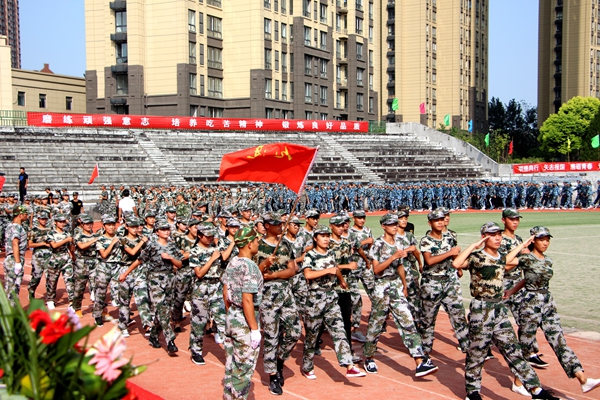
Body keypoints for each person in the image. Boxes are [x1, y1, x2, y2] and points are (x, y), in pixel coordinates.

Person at [453, 222, 563, 400]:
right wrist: (474, 246)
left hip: (498, 309)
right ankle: (472, 392)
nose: (497, 237)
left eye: (498, 234)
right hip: (481, 309)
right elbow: (456, 263)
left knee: (514, 350)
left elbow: (509, 260)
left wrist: (523, 245)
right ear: (484, 237)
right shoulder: (476, 257)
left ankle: (535, 390)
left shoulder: (500, 257)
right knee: (477, 352)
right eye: (492, 234)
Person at [505, 227, 600, 395]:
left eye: (547, 239)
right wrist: (522, 245)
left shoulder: (548, 260)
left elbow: (528, 278)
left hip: (547, 303)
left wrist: (512, 290)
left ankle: (583, 380)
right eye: (542, 239)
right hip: (530, 305)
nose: (545, 243)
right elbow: (506, 261)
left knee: (559, 341)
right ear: (534, 240)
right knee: (526, 346)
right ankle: (518, 382)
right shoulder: (526, 258)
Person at [363, 214, 438, 377]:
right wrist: (393, 257)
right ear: (383, 226)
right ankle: (368, 357)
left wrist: (404, 285)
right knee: (376, 324)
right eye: (390, 224)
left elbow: (400, 267)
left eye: (395, 224)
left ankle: (419, 361)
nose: (394, 227)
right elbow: (376, 270)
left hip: (396, 285)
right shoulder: (378, 244)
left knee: (407, 321)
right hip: (382, 286)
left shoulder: (399, 242)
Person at [300, 224, 366, 380]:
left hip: (331, 298)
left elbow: (335, 269)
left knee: (339, 331)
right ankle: (307, 365)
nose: (326, 238)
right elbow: (308, 275)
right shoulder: (310, 255)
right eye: (322, 236)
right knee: (312, 336)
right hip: (315, 299)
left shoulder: (330, 253)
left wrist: (342, 280)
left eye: (327, 236)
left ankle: (349, 365)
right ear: (315, 238)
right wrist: (327, 271)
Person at [254, 212, 301, 395]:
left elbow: (292, 270)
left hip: (285, 293)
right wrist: (265, 264)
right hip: (267, 295)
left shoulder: (285, 245)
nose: (281, 225)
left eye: (281, 223)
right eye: (276, 223)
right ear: (266, 225)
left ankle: (280, 360)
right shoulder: (258, 246)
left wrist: (274, 275)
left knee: (294, 332)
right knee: (272, 336)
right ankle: (272, 375)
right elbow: (254, 273)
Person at [120, 219, 182, 353]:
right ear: (157, 232)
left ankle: (154, 335)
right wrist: (125, 273)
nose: (166, 232)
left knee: (166, 309)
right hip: (155, 279)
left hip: (170, 278)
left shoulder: (172, 246)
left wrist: (170, 258)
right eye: (163, 229)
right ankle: (170, 340)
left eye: (167, 229)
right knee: (161, 308)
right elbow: (139, 260)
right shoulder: (152, 246)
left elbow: (179, 264)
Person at [419, 209, 469, 356]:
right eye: (436, 220)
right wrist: (450, 253)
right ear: (430, 223)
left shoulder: (449, 237)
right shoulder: (426, 240)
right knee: (428, 319)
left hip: (449, 283)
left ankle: (466, 346)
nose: (440, 222)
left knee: (458, 314)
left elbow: (455, 256)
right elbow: (429, 261)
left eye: (442, 219)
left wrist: (458, 267)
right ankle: (425, 351)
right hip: (431, 284)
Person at [222, 226, 263, 400]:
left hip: (232, 316)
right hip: (245, 321)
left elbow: (225, 293)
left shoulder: (233, 262)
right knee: (243, 369)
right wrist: (254, 329)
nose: (258, 243)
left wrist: (230, 314)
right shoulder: (250, 267)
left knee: (231, 365)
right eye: (255, 240)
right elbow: (247, 299)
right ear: (248, 244)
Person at [188, 224, 225, 365]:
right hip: (201, 288)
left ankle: (229, 351)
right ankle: (196, 351)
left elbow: (219, 270)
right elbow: (199, 273)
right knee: (200, 321)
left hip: (216, 287)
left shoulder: (215, 249)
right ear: (199, 236)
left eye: (211, 236)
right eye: (207, 236)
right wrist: (212, 258)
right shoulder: (195, 251)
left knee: (222, 320)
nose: (210, 239)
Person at [93, 215, 124, 326]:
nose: (111, 227)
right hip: (104, 267)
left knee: (119, 291)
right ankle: (97, 315)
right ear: (104, 226)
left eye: (113, 225)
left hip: (117, 266)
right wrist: (112, 243)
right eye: (109, 225)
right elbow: (104, 254)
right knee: (101, 292)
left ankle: (124, 316)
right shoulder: (100, 239)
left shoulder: (120, 237)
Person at [71, 214, 99, 317]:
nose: (89, 225)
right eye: (86, 224)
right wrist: (94, 240)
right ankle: (77, 308)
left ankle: (98, 309)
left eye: (90, 223)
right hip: (81, 264)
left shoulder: (95, 235)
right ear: (82, 225)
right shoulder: (78, 235)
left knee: (97, 286)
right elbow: (81, 246)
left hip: (93, 263)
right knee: (79, 288)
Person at [46, 213, 75, 310]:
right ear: (55, 222)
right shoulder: (51, 233)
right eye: (60, 222)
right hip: (54, 259)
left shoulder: (67, 233)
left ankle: (71, 300)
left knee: (69, 280)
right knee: (52, 281)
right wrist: (66, 240)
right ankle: (50, 299)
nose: (62, 224)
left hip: (66, 258)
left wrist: (73, 256)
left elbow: (70, 246)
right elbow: (53, 245)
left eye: (63, 222)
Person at [3, 205, 29, 305]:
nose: (27, 216)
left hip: (12, 258)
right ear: (20, 215)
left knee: (11, 288)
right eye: (25, 214)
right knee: (12, 289)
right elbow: (15, 243)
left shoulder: (10, 225)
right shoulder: (16, 227)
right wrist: (17, 262)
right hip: (14, 258)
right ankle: (10, 314)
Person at [27, 210, 52, 300]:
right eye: (42, 219)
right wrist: (43, 244)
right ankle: (31, 290)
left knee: (49, 277)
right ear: (38, 219)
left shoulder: (50, 230)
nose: (44, 221)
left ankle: (50, 298)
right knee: (37, 276)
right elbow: (30, 244)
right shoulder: (34, 231)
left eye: (45, 219)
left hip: (49, 255)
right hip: (38, 256)